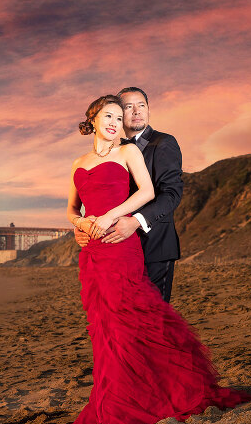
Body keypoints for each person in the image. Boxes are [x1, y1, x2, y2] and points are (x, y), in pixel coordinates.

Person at [56, 94, 251, 424]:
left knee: (148, 326)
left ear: (147, 110)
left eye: (131, 110)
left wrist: (121, 218)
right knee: (107, 330)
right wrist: (80, 226)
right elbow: (73, 209)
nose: (121, 118)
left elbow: (163, 193)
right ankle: (118, 397)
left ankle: (164, 396)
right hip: (96, 252)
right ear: (94, 118)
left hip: (142, 242)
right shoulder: (78, 162)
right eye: (113, 114)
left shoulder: (149, 146)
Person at [74, 87, 182, 303]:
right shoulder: (113, 150)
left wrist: (136, 222)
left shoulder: (163, 143)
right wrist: (82, 226)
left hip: (154, 245)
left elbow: (171, 193)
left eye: (142, 105)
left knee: (153, 317)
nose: (136, 111)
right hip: (116, 247)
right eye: (128, 107)